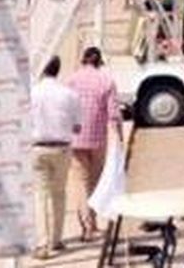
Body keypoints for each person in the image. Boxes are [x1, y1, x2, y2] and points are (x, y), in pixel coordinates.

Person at [67, 46, 121, 243]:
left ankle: (87, 226)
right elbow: (114, 114)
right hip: (98, 139)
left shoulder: (72, 80)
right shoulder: (107, 81)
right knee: (95, 182)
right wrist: (119, 138)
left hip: (75, 138)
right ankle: (94, 223)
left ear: (83, 60)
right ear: (99, 62)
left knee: (81, 183)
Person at [31, 56, 81, 260]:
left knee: (40, 196)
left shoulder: (31, 93)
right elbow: (78, 127)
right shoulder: (69, 94)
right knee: (59, 194)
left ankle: (42, 244)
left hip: (37, 148)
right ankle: (56, 239)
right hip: (62, 148)